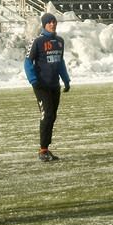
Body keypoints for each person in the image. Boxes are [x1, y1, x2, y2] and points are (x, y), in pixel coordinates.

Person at [24, 13, 71, 162]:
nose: (52, 24)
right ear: (44, 24)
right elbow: (27, 62)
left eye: (54, 22)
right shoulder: (37, 41)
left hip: (54, 85)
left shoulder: (60, 41)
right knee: (46, 115)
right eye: (49, 22)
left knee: (52, 116)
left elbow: (60, 62)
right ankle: (42, 150)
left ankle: (46, 148)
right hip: (41, 85)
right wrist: (33, 81)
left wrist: (66, 80)